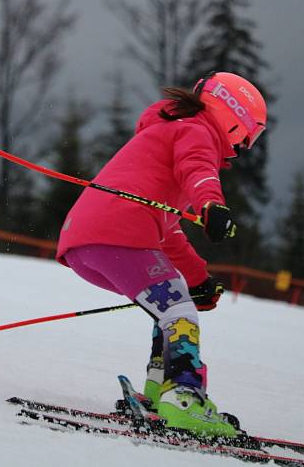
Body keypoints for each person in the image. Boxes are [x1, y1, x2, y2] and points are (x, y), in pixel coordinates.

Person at [56, 71, 267, 437]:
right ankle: (184, 397)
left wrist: (198, 279)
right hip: (119, 234)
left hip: (88, 243)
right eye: (252, 134)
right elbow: (197, 169)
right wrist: (212, 206)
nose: (247, 145)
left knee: (170, 306)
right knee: (179, 311)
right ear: (236, 119)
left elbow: (167, 230)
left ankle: (160, 391)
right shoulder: (196, 130)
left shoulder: (168, 134)